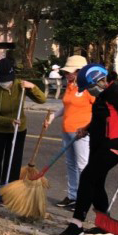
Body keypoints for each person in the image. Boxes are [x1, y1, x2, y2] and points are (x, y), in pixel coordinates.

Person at [59, 64, 118, 235]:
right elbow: (103, 118)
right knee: (96, 183)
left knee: (87, 177)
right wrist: (87, 128)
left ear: (99, 79)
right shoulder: (104, 94)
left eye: (92, 84)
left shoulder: (116, 94)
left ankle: (76, 224)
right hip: (99, 145)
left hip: (113, 147)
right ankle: (105, 225)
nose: (92, 89)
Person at [0, 57, 47, 204]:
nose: (4, 83)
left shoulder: (21, 86)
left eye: (7, 79)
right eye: (1, 79)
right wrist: (10, 121)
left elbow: (42, 100)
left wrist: (32, 86)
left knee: (13, 162)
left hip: (18, 130)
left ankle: (9, 193)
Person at [45, 55, 94, 211]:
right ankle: (72, 196)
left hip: (81, 132)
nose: (66, 75)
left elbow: (98, 110)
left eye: (69, 72)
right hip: (67, 130)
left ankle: (83, 198)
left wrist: (87, 128)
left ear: (80, 71)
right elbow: (66, 106)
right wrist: (53, 116)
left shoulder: (89, 88)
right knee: (71, 164)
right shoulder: (70, 85)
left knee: (82, 165)